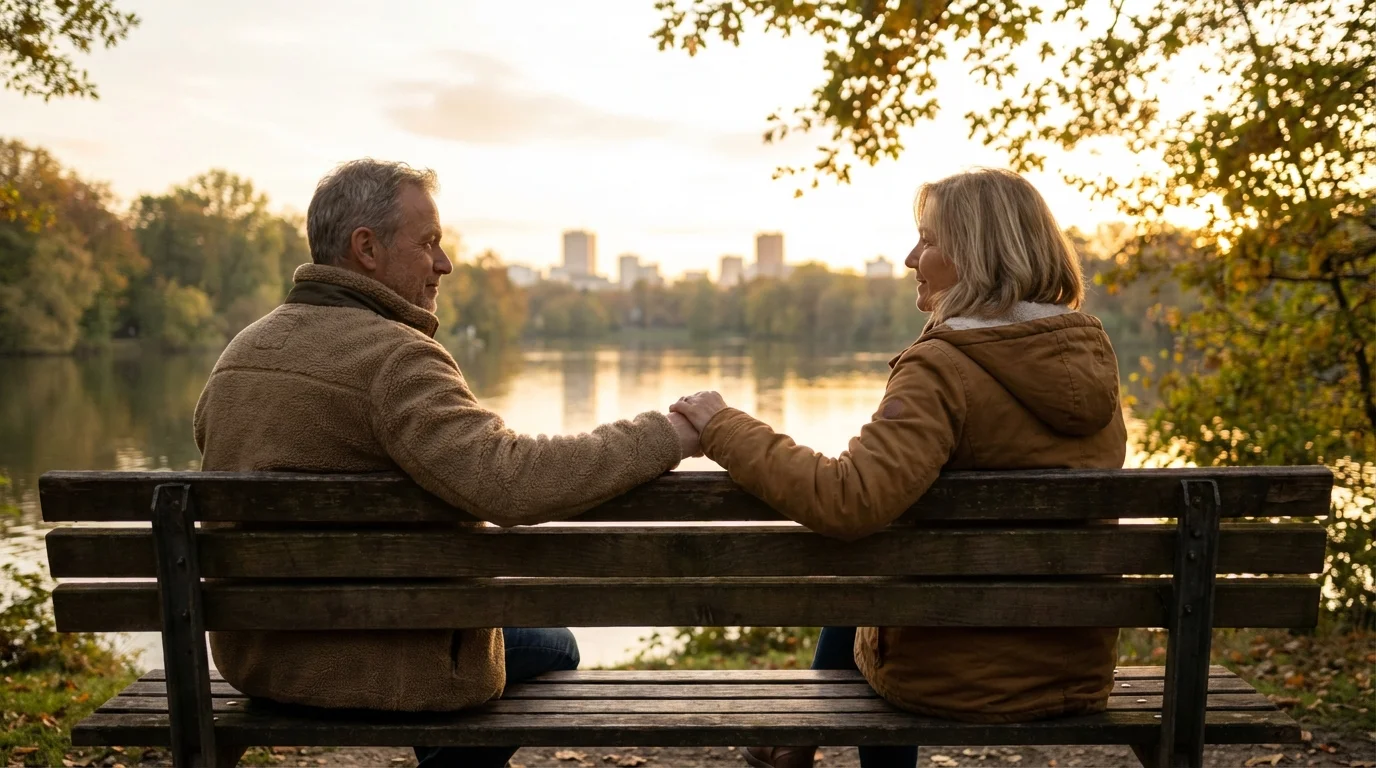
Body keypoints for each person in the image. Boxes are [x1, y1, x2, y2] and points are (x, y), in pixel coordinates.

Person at [193, 158, 701, 768]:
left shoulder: (239, 355)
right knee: (556, 647)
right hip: (381, 666)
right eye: (429, 242)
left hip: (261, 658)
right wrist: (665, 434)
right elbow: (511, 480)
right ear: (366, 249)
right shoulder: (397, 359)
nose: (445, 263)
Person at [671, 168, 1129, 768]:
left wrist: (722, 427)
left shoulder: (943, 368)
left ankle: (795, 743)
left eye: (927, 240)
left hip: (951, 676)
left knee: (870, 550)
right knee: (889, 553)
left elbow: (846, 500)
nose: (911, 257)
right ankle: (795, 742)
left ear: (974, 255)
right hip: (1075, 669)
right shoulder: (1086, 359)